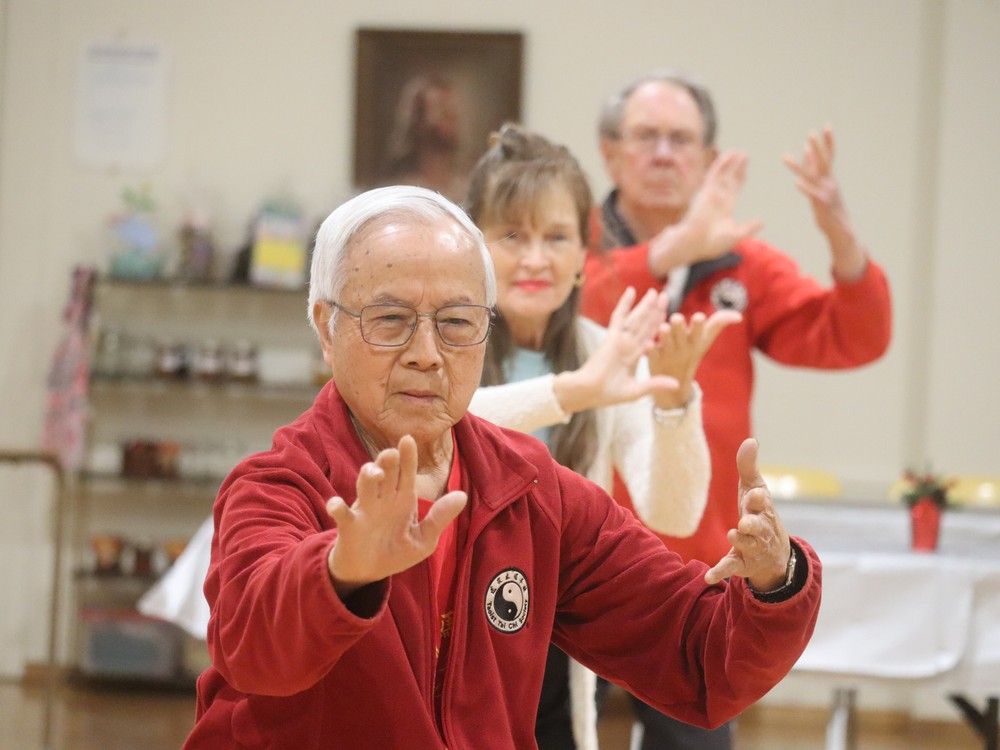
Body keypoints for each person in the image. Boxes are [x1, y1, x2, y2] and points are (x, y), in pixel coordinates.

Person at [183, 185, 821, 749]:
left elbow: (695, 653)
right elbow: (253, 649)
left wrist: (775, 582)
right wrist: (339, 573)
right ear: (326, 328)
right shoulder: (279, 485)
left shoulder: (531, 490)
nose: (427, 353)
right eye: (390, 320)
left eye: (457, 323)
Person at [580, 70, 892, 749]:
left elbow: (855, 336)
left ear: (707, 158)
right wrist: (671, 251)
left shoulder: (739, 264)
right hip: (579, 553)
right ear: (610, 152)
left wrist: (841, 235)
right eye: (646, 136)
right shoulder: (569, 243)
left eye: (681, 139)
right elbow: (574, 309)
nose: (665, 153)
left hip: (695, 565)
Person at [463, 123, 739, 750]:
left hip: (556, 637)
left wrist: (673, 401)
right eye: (512, 235)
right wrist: (575, 391)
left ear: (584, 253)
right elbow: (441, 425)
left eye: (557, 237)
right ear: (473, 243)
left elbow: (672, 511)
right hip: (450, 623)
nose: (536, 258)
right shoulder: (446, 341)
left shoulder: (602, 354)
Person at [382, 74, 468, 201]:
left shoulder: (467, 189)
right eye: (442, 110)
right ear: (418, 121)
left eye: (453, 110)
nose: (451, 118)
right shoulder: (401, 192)